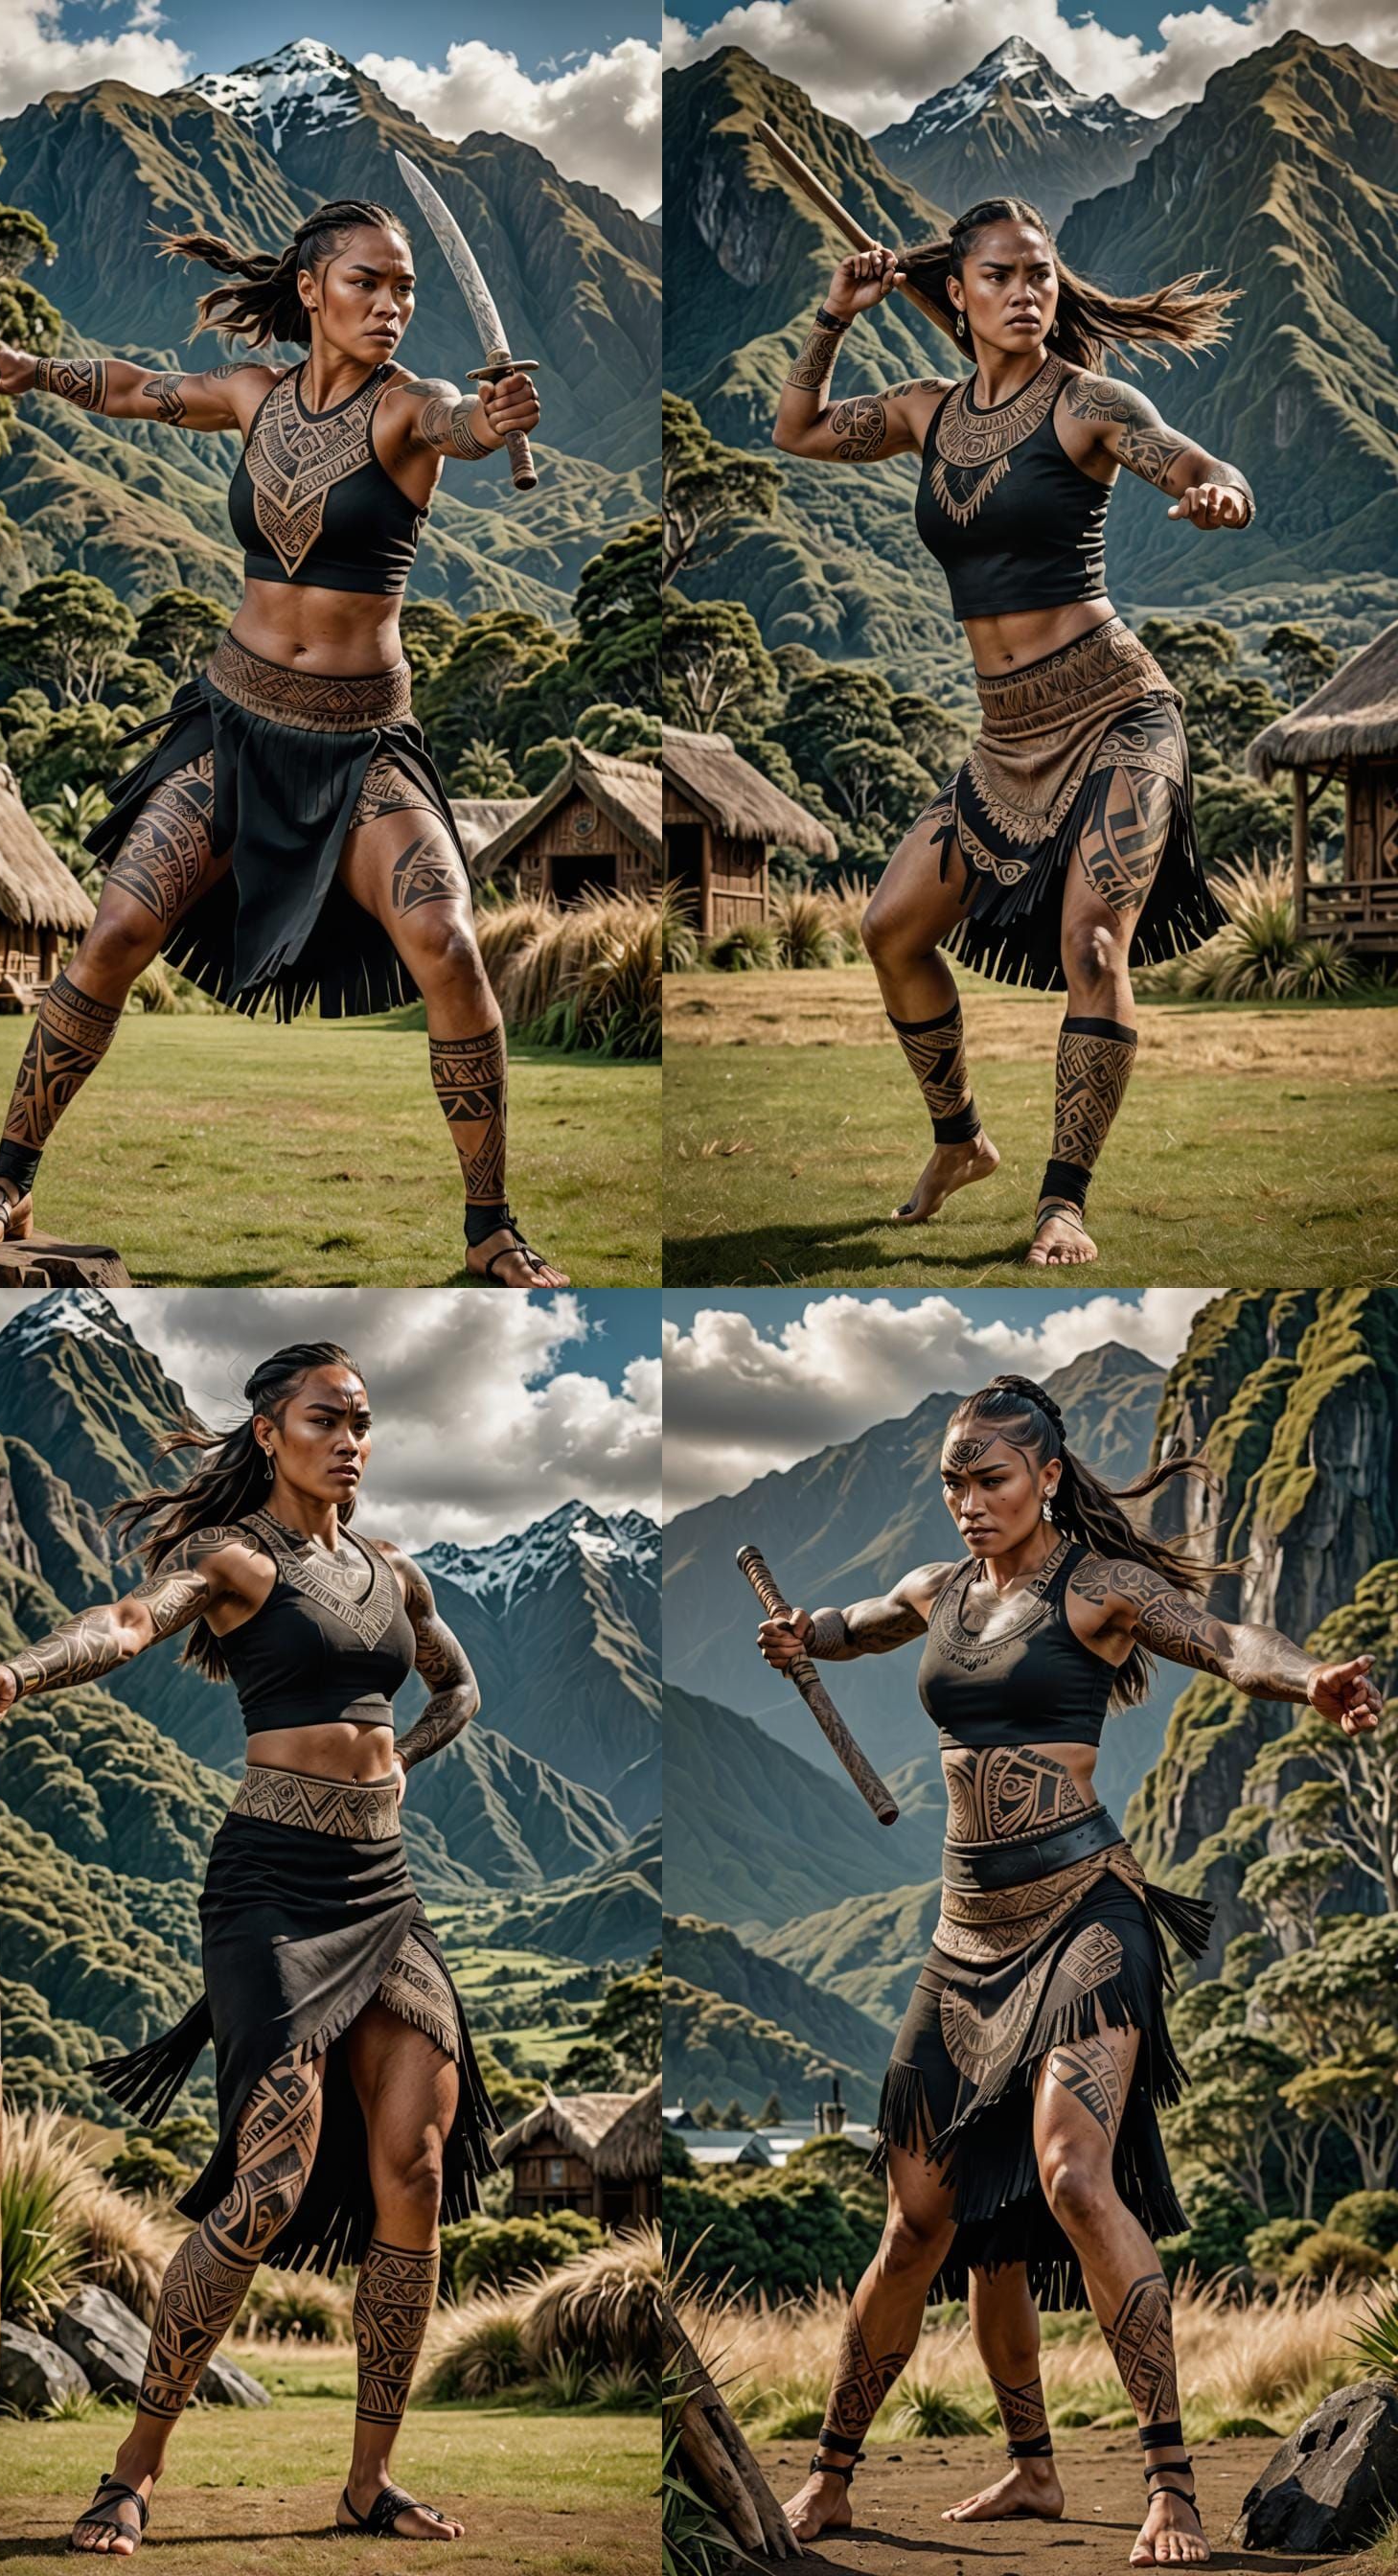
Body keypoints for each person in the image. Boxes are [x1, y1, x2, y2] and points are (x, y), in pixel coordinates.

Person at [755, 1372, 1378, 2566]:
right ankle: (842, 2477)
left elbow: (1231, 1641)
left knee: (1073, 2179)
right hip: (963, 1939)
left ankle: (1171, 2490)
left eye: (991, 1480)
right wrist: (807, 1635)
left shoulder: (1098, 1590)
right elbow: (870, 1620)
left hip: (1088, 1918)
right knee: (919, 2223)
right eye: (953, 1482)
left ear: (1046, 1477)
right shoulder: (941, 1589)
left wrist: (1310, 1681)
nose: (969, 1502)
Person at [0, 199, 566, 1287]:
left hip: (363, 749)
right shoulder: (253, 398)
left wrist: (496, 420)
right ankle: (7, 1181)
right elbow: (140, 389)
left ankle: (492, 1229)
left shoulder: (412, 409)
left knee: (450, 946)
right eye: (369, 281)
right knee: (114, 934)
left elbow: (460, 425)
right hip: (232, 731)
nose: (393, 303)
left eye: (406, 287)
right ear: (314, 289)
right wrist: (38, 370)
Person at [0, 1340, 498, 2552]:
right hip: (273, 1893)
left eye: (363, 1420)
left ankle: (368, 2483)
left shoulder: (395, 1573)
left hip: (385, 1885)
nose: (351, 1438)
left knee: (413, 2171)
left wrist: (406, 1763)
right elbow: (130, 1620)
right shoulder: (235, 1558)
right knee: (267, 2185)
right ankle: (133, 2470)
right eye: (326, 1418)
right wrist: (21, 1678)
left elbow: (454, 1693)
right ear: (268, 1431)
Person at [770, 201, 1251, 1269]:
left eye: (1040, 273)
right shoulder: (923, 412)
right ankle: (960, 1143)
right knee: (891, 929)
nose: (1027, 291)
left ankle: (1063, 1203)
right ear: (958, 295)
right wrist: (833, 318)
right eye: (999, 276)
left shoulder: (1090, 404)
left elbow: (1199, 467)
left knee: (1092, 941)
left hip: (1119, 712)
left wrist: (1219, 494)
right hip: (1005, 740)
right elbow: (795, 430)